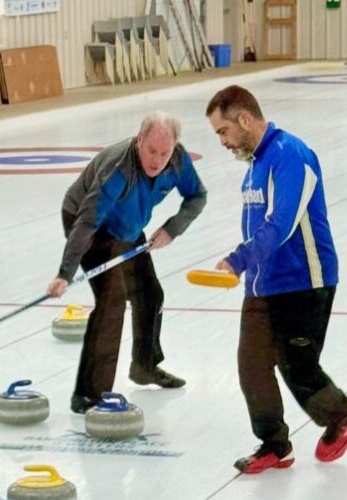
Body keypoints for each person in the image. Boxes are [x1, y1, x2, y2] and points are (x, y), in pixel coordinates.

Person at [205, 85, 347, 473]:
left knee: (297, 367)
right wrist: (248, 269)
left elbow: (283, 223)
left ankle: (341, 413)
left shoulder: (291, 155)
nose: (222, 142)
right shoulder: (255, 164)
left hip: (304, 282)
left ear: (244, 119)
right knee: (252, 366)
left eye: (222, 131)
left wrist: (239, 259)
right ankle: (275, 445)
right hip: (262, 285)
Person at [46, 111, 208, 414]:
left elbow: (197, 197)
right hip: (91, 224)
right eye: (151, 151)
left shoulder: (178, 160)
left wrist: (172, 228)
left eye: (164, 152)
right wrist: (65, 273)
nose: (157, 160)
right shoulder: (118, 169)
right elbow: (86, 222)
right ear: (139, 141)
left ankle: (145, 366)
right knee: (112, 301)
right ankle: (88, 394)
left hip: (128, 225)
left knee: (150, 294)